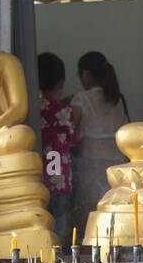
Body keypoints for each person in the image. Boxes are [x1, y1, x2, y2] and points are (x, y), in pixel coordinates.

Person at [70, 51, 129, 238]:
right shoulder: (118, 99)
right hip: (116, 167)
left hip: (89, 166)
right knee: (112, 214)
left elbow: (69, 133)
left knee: (87, 218)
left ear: (85, 74)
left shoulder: (80, 99)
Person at [37, 52, 80, 243]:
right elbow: (72, 139)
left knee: (40, 216)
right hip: (59, 175)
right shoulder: (64, 111)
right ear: (61, 83)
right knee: (59, 216)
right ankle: (58, 250)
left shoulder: (32, 109)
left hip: (37, 173)